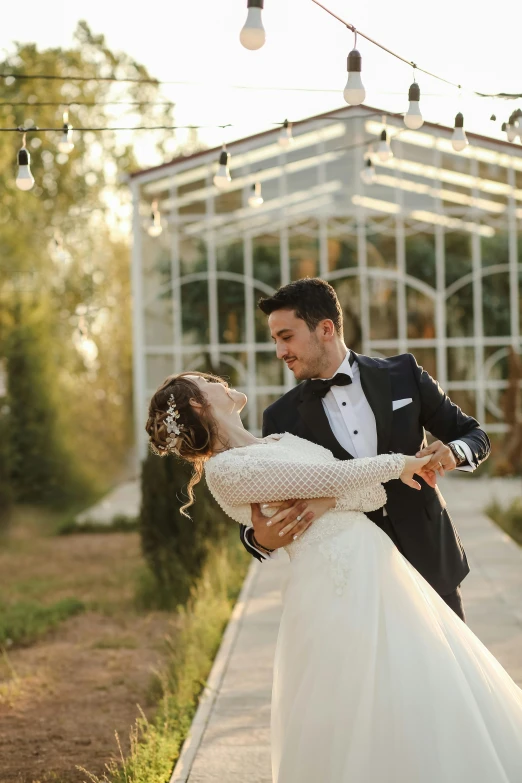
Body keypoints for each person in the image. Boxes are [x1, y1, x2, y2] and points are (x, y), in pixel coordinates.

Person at [145, 372, 522, 783]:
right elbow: (338, 480)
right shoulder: (226, 470)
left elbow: (369, 495)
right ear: (199, 406)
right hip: (329, 584)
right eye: (205, 381)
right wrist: (396, 465)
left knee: (420, 683)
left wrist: (330, 495)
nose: (218, 380)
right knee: (355, 701)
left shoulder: (281, 442)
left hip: (380, 565)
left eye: (284, 337)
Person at [238, 278, 490, 622]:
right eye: (276, 341)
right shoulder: (280, 418)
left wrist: (455, 452)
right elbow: (264, 506)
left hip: (430, 560)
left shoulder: (404, 374)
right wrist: (259, 539)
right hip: (352, 577)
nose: (280, 352)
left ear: (325, 329)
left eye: (286, 337)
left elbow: (473, 434)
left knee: (449, 672)